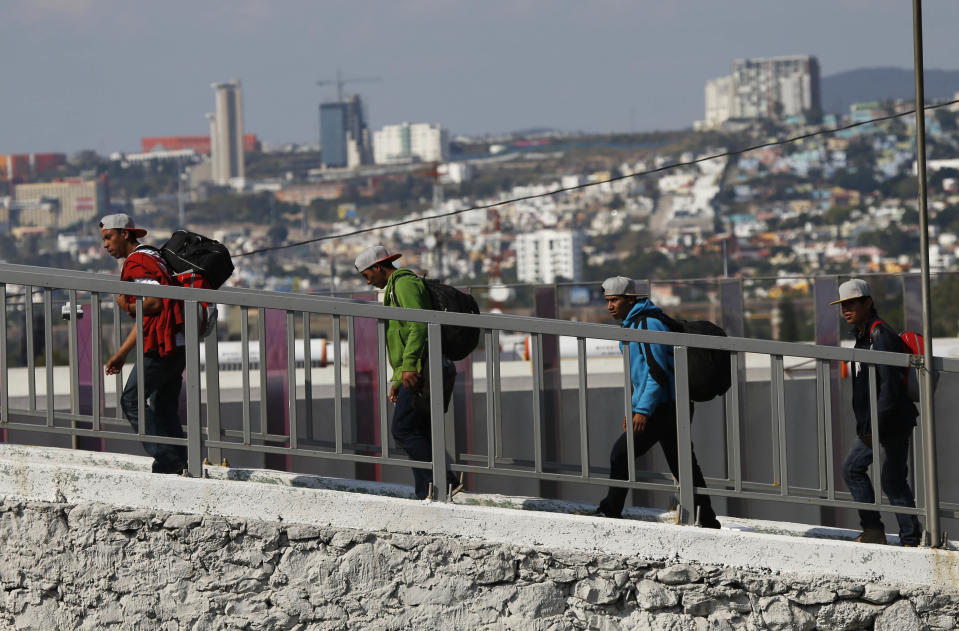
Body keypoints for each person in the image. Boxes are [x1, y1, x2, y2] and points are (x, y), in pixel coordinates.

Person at [587, 276, 720, 528]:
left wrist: (643, 410)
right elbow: (645, 373)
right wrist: (635, 407)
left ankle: (611, 510)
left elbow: (656, 373)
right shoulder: (640, 322)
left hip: (662, 407)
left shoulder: (647, 324)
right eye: (608, 301)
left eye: (614, 300)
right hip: (668, 405)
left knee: (620, 455)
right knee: (683, 464)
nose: (609, 306)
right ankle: (707, 518)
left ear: (630, 300)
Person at [354, 244, 460, 499]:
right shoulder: (394, 289)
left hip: (424, 368)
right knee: (418, 432)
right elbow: (405, 335)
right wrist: (398, 379)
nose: (368, 282)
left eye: (367, 275)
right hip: (419, 368)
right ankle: (426, 490)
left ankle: (447, 483)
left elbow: (419, 325)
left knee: (403, 429)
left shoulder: (403, 285)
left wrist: (410, 366)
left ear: (378, 267)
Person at [833, 278, 921, 546]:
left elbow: (891, 385)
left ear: (867, 303)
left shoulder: (880, 334)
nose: (846, 309)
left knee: (854, 469)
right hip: (882, 421)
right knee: (892, 480)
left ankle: (878, 531)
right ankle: (908, 537)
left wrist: (875, 428)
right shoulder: (864, 335)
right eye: (843, 305)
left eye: (852, 304)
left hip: (889, 421)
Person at [100, 213, 187, 474]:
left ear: (124, 234)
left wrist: (124, 303)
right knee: (163, 408)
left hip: (162, 347)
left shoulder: (137, 261)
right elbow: (150, 315)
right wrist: (122, 354)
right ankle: (181, 461)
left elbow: (153, 302)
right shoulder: (153, 256)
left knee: (131, 400)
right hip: (177, 343)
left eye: (108, 237)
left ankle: (167, 458)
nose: (105, 245)